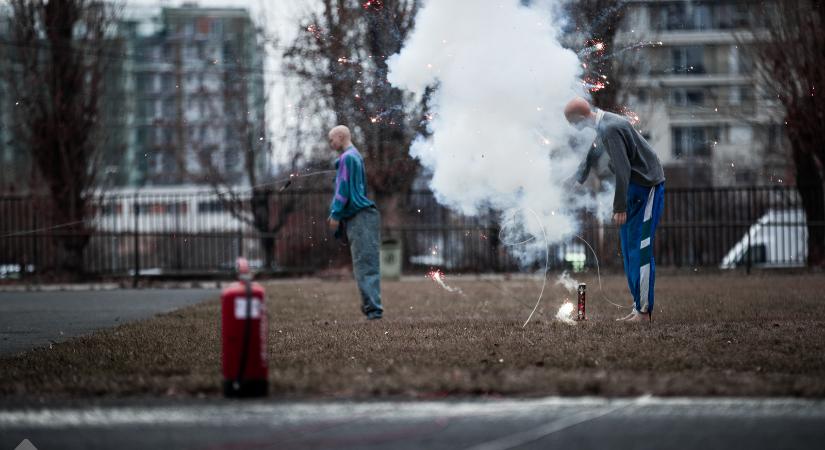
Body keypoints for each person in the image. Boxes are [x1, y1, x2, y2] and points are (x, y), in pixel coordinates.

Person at [565, 97, 665, 322]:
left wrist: (619, 206)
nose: (574, 129)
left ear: (580, 119)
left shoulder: (610, 128)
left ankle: (644, 311)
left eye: (573, 123)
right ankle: (637, 306)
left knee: (640, 249)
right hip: (634, 189)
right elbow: (594, 151)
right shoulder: (603, 124)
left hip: (647, 186)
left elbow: (623, 168)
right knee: (629, 248)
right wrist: (578, 178)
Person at [326, 125, 384, 320]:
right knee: (365, 264)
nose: (330, 143)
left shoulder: (348, 158)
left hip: (360, 217)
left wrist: (335, 213)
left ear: (341, 136)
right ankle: (371, 307)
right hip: (361, 217)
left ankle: (373, 311)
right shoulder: (353, 156)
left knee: (365, 266)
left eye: (331, 139)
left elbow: (342, 189)